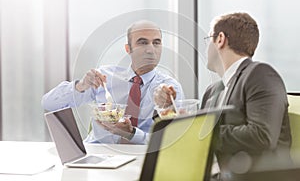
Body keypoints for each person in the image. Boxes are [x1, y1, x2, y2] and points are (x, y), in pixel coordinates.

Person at [154, 12, 292, 178]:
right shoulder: (212, 92)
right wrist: (167, 108)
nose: (205, 48)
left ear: (220, 39)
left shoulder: (260, 74)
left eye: (207, 40)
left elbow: (262, 136)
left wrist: (200, 131)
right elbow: (195, 141)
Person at [42, 20, 184, 145]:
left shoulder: (169, 89)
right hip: (97, 153)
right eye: (143, 42)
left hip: (140, 158)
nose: (150, 49)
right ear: (128, 49)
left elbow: (171, 140)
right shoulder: (105, 77)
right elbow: (49, 103)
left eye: (156, 43)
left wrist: (132, 134)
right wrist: (81, 86)